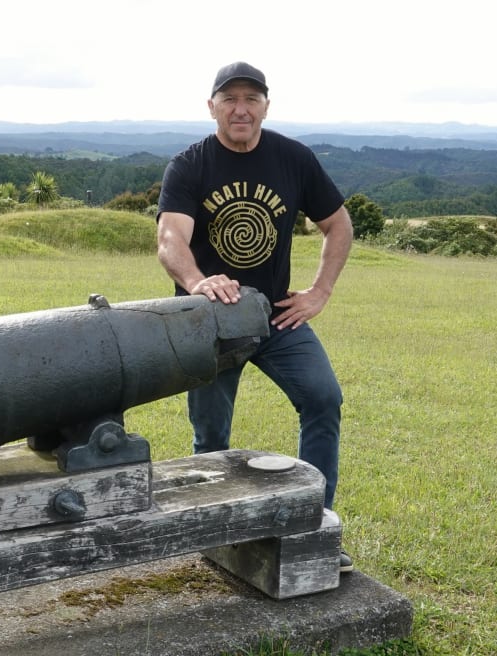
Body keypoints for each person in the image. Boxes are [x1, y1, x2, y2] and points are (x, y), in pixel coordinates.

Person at [156, 61, 354, 571]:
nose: (240, 109)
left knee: (323, 398)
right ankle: (213, 532)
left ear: (267, 104)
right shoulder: (190, 164)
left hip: (273, 316)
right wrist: (199, 282)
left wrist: (319, 292)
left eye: (251, 99)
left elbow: (338, 224)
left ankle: (312, 523)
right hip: (209, 322)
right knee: (212, 434)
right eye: (229, 99)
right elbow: (170, 238)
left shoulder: (293, 159)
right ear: (212, 106)